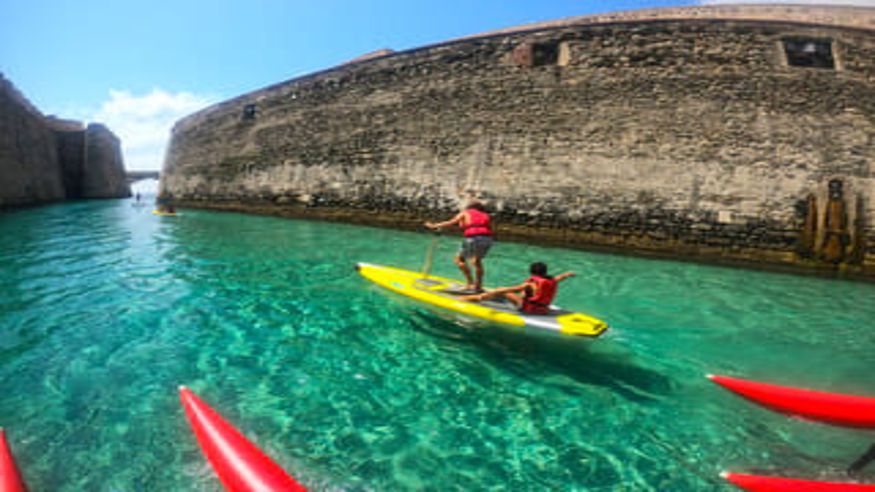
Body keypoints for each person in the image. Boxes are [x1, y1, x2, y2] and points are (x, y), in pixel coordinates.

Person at [424, 199, 493, 292]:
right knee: (477, 261)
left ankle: (470, 283)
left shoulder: (465, 212)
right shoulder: (485, 215)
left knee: (459, 259)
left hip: (473, 238)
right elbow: (483, 226)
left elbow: (451, 222)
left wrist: (434, 225)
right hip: (487, 239)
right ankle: (478, 286)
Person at [461, 262, 575, 314]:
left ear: (532, 272)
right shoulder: (552, 281)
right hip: (544, 309)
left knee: (503, 291)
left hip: (530, 310)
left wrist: (496, 291)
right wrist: (568, 274)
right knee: (522, 296)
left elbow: (511, 290)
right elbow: (561, 277)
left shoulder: (531, 283)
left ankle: (474, 298)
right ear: (545, 272)